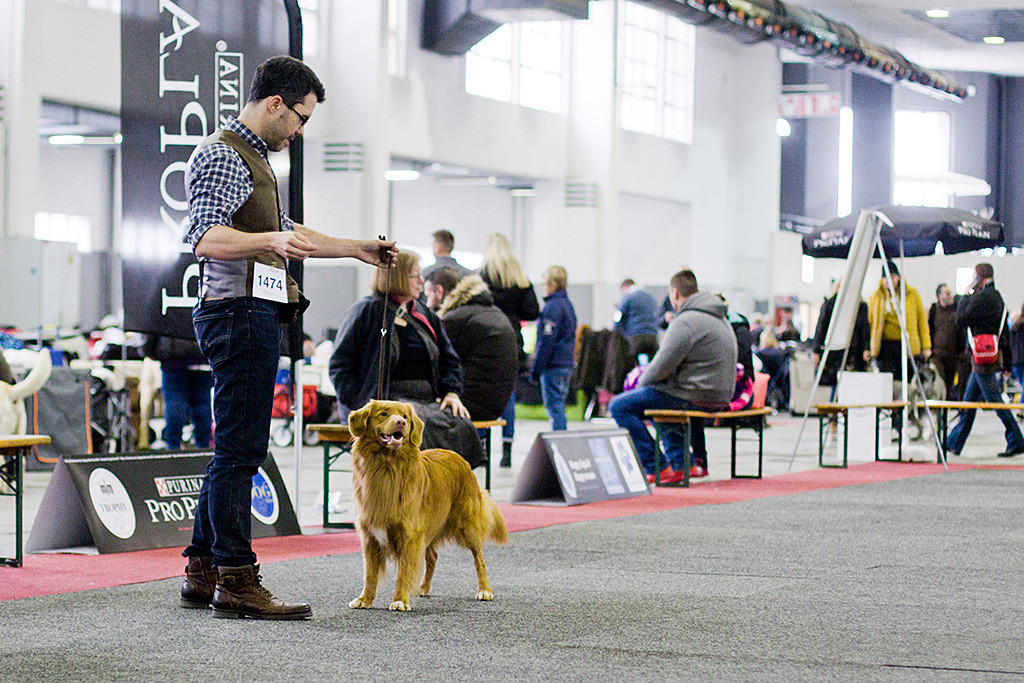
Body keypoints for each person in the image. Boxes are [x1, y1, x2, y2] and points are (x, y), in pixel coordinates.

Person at [182, 55, 396, 620]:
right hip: (236, 312)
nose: (300, 131)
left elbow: (287, 234)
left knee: (236, 448)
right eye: (299, 118)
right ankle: (236, 577)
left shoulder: (253, 157)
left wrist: (355, 247)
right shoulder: (226, 153)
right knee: (240, 452)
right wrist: (269, 241)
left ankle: (203, 570)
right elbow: (204, 237)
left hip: (248, 313)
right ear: (274, 104)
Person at [329, 251, 485, 466]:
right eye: (415, 276)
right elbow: (339, 365)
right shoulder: (365, 312)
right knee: (416, 422)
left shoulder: (425, 315)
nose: (422, 281)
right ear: (398, 277)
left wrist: (451, 391)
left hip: (426, 401)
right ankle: (418, 487)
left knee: (460, 423)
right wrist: (363, 405)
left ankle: (450, 485)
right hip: (387, 401)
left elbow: (449, 360)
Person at [609, 270, 737, 483]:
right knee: (659, 398)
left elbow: (661, 366)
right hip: (719, 394)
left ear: (675, 293)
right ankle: (681, 463)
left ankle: (655, 465)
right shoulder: (719, 317)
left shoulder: (686, 321)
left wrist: (639, 385)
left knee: (620, 406)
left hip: (695, 393)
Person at [946, 263, 1024, 457]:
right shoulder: (997, 297)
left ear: (978, 277)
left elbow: (960, 319)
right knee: (968, 402)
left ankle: (1017, 439)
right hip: (986, 356)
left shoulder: (982, 298)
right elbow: (1003, 332)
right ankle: (953, 442)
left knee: (994, 400)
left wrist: (965, 295)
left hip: (982, 359)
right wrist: (1006, 364)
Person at [479, 233, 540, 467]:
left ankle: (482, 448)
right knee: (509, 396)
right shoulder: (520, 278)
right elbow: (533, 312)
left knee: (484, 393)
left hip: (486, 338)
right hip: (512, 339)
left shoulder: (482, 276)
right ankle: (507, 451)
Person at [438, 275, 518, 422]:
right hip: (497, 404)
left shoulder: (456, 318)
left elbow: (437, 358)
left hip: (468, 403)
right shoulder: (497, 314)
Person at [142, 334, 213, 449]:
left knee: (174, 403)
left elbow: (154, 322)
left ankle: (172, 450)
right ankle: (204, 450)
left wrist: (148, 350)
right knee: (202, 404)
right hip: (201, 353)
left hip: (173, 356)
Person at [867, 260, 931, 380]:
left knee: (907, 382)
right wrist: (868, 348)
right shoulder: (876, 297)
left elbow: (922, 321)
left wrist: (926, 346)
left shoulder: (912, 294)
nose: (889, 280)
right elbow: (870, 324)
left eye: (892, 276)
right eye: (886, 277)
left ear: (898, 277)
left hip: (907, 345)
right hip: (885, 347)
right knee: (887, 383)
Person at [532, 266, 577, 431]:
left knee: (554, 407)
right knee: (559, 404)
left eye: (544, 283)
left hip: (553, 364)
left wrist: (537, 368)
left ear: (553, 284)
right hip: (566, 363)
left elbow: (547, 341)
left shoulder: (552, 307)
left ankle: (559, 441)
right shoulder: (567, 305)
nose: (543, 287)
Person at [810, 279, 870, 387]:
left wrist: (866, 348)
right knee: (835, 385)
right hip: (834, 353)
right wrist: (816, 350)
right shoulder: (830, 304)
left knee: (852, 385)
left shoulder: (861, 306)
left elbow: (865, 329)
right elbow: (821, 328)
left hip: (854, 353)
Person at [928, 283, 964, 399]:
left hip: (953, 355)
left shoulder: (956, 310)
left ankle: (944, 415)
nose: (950, 296)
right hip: (937, 354)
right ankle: (938, 412)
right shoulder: (934, 310)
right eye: (946, 293)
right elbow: (929, 329)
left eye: (950, 293)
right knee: (939, 383)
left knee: (949, 385)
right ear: (939, 295)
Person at [614, 278, 660, 367]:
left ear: (625, 287)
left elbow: (618, 315)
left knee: (631, 365)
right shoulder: (650, 297)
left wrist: (614, 330)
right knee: (652, 366)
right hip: (652, 337)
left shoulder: (627, 297)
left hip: (635, 337)